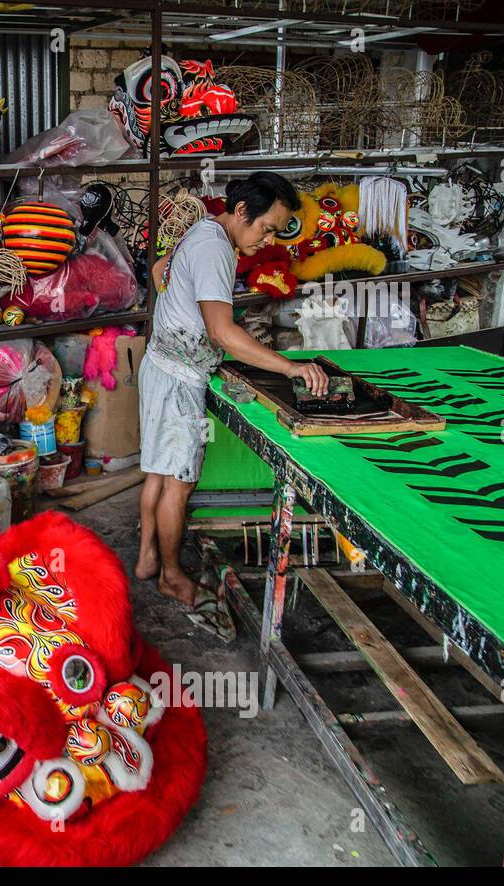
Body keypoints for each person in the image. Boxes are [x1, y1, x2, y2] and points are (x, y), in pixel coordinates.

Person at [137, 171, 328, 606]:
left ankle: (148, 558)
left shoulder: (204, 230)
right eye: (266, 228)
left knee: (159, 471)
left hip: (160, 365)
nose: (267, 240)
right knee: (178, 484)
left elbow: (158, 270)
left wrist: (178, 315)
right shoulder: (215, 249)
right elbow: (222, 334)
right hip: (179, 380)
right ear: (242, 211)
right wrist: (289, 367)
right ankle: (169, 574)